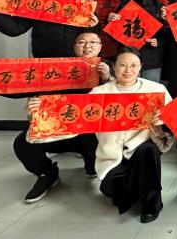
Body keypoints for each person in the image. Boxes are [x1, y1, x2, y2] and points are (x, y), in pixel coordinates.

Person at [13, 30, 111, 203]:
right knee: (22, 143)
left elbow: (122, 99)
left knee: (94, 138)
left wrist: (107, 78)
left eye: (93, 42)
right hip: (60, 129)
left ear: (100, 46)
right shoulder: (58, 68)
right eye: (81, 42)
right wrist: (35, 106)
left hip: (92, 133)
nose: (87, 46)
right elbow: (41, 99)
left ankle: (92, 164)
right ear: (74, 46)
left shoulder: (110, 66)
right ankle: (47, 174)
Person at [91, 47, 174, 224]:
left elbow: (175, 121)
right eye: (123, 65)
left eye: (133, 65)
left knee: (148, 151)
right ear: (114, 66)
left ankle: (152, 203)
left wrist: (163, 122)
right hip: (112, 154)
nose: (128, 70)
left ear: (141, 66)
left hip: (143, 148)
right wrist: (40, 110)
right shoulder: (99, 93)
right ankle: (137, 188)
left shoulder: (156, 90)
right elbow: (75, 120)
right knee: (109, 189)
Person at [107, 0, 168, 82]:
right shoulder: (125, 5)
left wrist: (159, 41)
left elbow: (169, 34)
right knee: (127, 88)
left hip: (152, 57)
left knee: (151, 89)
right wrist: (110, 20)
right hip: (128, 56)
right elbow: (113, 33)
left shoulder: (161, 7)